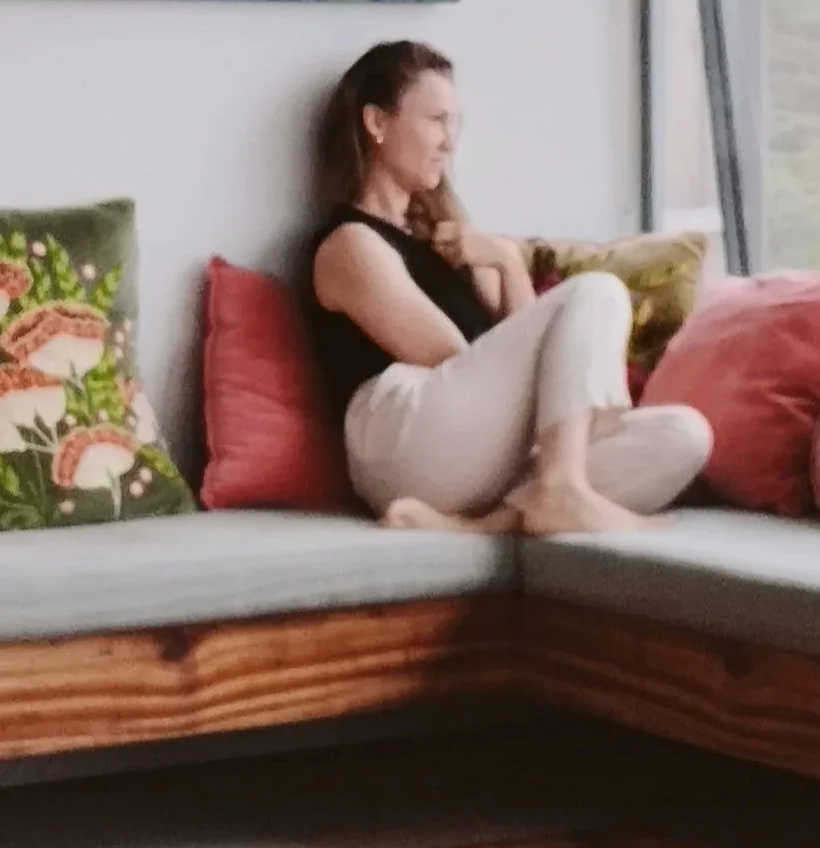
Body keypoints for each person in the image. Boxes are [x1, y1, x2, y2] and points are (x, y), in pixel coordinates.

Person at [304, 40, 710, 535]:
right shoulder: (349, 244)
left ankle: (476, 526)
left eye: (454, 124)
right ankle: (563, 488)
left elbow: (522, 349)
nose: (450, 141)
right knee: (596, 291)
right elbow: (450, 355)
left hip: (474, 446)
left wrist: (505, 262)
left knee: (684, 434)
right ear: (378, 123)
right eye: (436, 120)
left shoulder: (450, 240)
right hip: (400, 437)